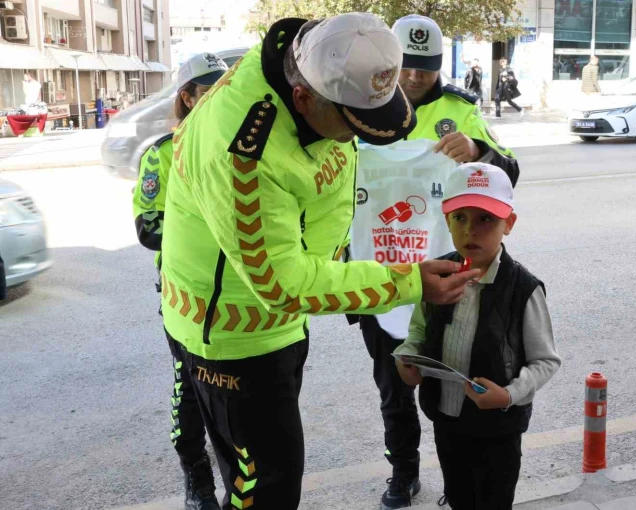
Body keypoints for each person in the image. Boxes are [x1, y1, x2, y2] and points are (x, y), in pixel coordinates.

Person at [161, 13, 480, 510]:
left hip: (281, 324)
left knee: (278, 470)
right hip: (236, 338)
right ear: (305, 97)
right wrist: (407, 281)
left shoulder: (315, 54)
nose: (355, 137)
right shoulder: (245, 157)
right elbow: (282, 284)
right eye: (350, 124)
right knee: (264, 492)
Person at [354, 14, 522, 510]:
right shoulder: (361, 104)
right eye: (407, 67)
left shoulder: (458, 111)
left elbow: (509, 169)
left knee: (455, 386)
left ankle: (459, 475)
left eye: (425, 69)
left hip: (451, 274)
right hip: (382, 268)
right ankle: (403, 473)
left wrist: (478, 150)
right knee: (394, 388)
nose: (414, 78)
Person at [395, 162, 561, 510]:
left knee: (492, 500)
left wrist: (508, 395)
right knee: (458, 494)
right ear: (447, 222)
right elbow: (419, 331)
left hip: (498, 429)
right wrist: (408, 356)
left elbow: (546, 360)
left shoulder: (523, 289)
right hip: (447, 419)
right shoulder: (435, 276)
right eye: (461, 218)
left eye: (485, 219)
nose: (471, 231)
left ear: (508, 224)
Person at [132, 52, 228, 510]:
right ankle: (197, 476)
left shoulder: (240, 147)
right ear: (187, 98)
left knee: (239, 400)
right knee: (190, 388)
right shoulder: (163, 154)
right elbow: (148, 227)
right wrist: (210, 226)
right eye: (207, 92)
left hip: (242, 298)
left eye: (222, 90)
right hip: (186, 296)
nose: (216, 100)